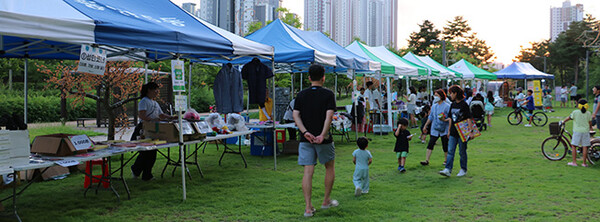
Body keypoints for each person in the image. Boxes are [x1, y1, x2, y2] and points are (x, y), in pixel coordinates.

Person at [293, 64, 338, 217]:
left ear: (309, 77)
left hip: (306, 139)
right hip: (323, 139)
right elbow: (329, 116)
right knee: (329, 167)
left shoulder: (301, 95)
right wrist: (322, 134)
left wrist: (305, 132)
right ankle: (326, 201)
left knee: (308, 172)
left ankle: (308, 207)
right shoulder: (328, 94)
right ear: (323, 77)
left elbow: (296, 116)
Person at [130, 82, 174, 181]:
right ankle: (138, 171)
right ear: (149, 90)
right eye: (156, 89)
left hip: (153, 129)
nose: (157, 91)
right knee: (146, 153)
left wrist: (172, 117)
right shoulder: (144, 101)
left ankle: (145, 174)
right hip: (144, 129)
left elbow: (161, 115)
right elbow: (142, 115)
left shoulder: (155, 102)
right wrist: (153, 120)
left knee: (151, 152)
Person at [439, 85, 473, 177]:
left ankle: (463, 169)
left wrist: (470, 131)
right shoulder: (452, 105)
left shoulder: (464, 105)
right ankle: (448, 169)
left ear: (456, 93)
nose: (450, 95)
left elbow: (469, 118)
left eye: (451, 93)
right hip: (453, 132)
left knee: (462, 151)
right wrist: (449, 130)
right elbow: (450, 118)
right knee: (450, 151)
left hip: (462, 131)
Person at [421, 89, 451, 166]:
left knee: (445, 144)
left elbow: (450, 118)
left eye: (437, 95)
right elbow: (430, 117)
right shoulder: (434, 106)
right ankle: (427, 160)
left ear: (441, 96)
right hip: (435, 128)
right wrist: (425, 126)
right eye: (435, 95)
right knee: (431, 143)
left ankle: (446, 160)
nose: (435, 97)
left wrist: (445, 120)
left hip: (444, 128)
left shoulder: (447, 106)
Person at [561, 99, 593, 167]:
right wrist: (591, 128)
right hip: (585, 131)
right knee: (585, 147)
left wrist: (563, 122)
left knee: (574, 146)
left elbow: (568, 118)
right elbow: (590, 123)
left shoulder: (575, 112)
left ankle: (574, 162)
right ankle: (584, 163)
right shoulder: (588, 113)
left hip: (577, 131)